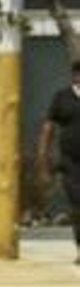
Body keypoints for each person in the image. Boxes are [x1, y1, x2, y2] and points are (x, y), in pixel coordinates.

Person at [37, 59, 80, 264]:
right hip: (71, 163)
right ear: (75, 76)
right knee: (77, 205)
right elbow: (48, 128)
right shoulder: (62, 98)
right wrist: (43, 156)